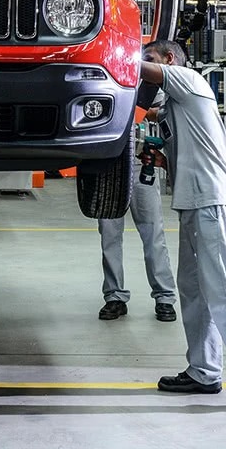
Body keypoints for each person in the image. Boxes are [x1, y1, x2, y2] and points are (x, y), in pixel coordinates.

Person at [140, 39, 226, 412]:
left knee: (222, 290)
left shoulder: (190, 80)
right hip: (193, 203)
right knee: (192, 289)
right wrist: (162, 159)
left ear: (170, 59)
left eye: (151, 59)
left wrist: (112, 50)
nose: (145, 66)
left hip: (211, 200)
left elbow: (145, 71)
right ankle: (204, 370)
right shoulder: (175, 107)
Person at [98, 101, 177, 322]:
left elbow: (163, 111)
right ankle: (114, 296)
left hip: (143, 163)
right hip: (108, 165)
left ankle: (164, 297)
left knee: (153, 233)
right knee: (109, 235)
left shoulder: (150, 78)